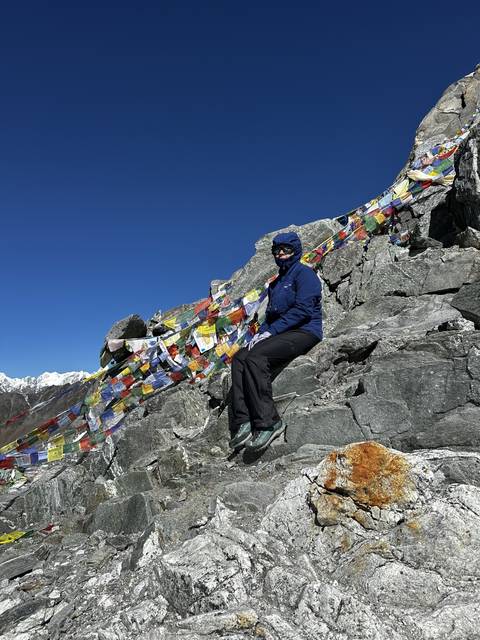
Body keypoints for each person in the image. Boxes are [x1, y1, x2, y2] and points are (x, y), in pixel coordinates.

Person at [229, 231, 322, 453]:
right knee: (240, 357)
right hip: (280, 332)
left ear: (295, 250)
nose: (280, 254)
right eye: (276, 250)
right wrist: (261, 333)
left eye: (285, 249)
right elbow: (271, 317)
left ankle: (269, 422)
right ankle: (243, 420)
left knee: (256, 357)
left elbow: (303, 310)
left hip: (304, 331)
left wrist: (271, 333)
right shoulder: (275, 284)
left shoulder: (305, 274)